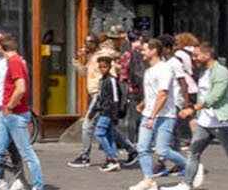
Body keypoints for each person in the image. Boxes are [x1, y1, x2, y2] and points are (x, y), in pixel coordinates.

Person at [177, 41, 228, 190]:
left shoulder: (221, 72)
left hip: (221, 121)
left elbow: (215, 96)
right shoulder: (204, 72)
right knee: (194, 152)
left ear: (207, 55)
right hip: (205, 122)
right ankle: (186, 184)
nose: (194, 59)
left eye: (196, 55)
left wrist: (192, 109)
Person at [0, 33, 44, 190]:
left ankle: (38, 186)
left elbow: (21, 88)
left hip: (14, 114)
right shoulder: (12, 60)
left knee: (26, 152)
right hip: (7, 114)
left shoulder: (14, 62)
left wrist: (10, 106)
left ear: (1, 47)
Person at [130, 39, 190, 190]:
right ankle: (148, 180)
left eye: (144, 49)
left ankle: (192, 167)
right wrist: (143, 104)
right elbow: (153, 93)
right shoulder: (149, 70)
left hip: (164, 116)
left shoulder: (165, 69)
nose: (141, 52)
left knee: (162, 149)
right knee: (142, 148)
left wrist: (152, 116)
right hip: (148, 114)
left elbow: (163, 94)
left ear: (154, 50)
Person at [77, 37, 133, 172]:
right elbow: (84, 73)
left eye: (89, 42)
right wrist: (79, 59)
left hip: (104, 104)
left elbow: (114, 97)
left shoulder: (105, 63)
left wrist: (113, 114)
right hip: (99, 100)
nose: (86, 45)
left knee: (94, 129)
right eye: (84, 42)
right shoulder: (92, 59)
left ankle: (89, 157)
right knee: (109, 132)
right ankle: (124, 153)